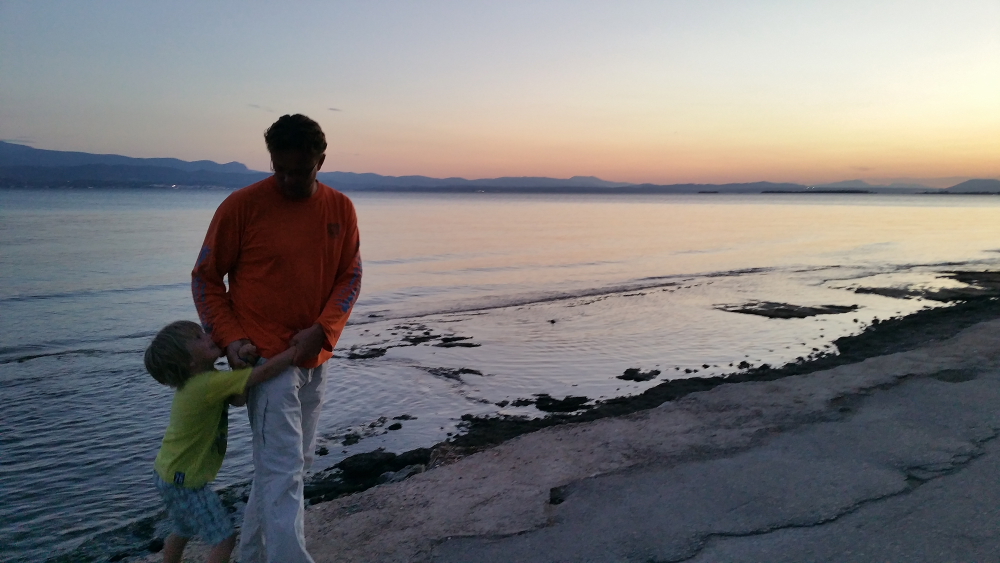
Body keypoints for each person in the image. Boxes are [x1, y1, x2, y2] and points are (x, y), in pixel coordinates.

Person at [192, 114, 362, 563]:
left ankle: (250, 555)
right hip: (265, 364)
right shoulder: (241, 207)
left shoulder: (341, 209)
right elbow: (205, 278)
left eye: (298, 171)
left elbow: (350, 276)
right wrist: (231, 340)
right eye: (278, 169)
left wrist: (323, 330)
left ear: (320, 161)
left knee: (289, 467)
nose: (286, 180)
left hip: (315, 357)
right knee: (283, 471)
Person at [145, 320, 299, 563]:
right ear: (189, 361)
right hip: (186, 481)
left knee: (183, 529)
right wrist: (296, 351)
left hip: (167, 473)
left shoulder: (203, 381)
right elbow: (264, 373)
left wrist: (243, 363)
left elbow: (238, 399)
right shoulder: (208, 384)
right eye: (198, 337)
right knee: (224, 539)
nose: (208, 335)